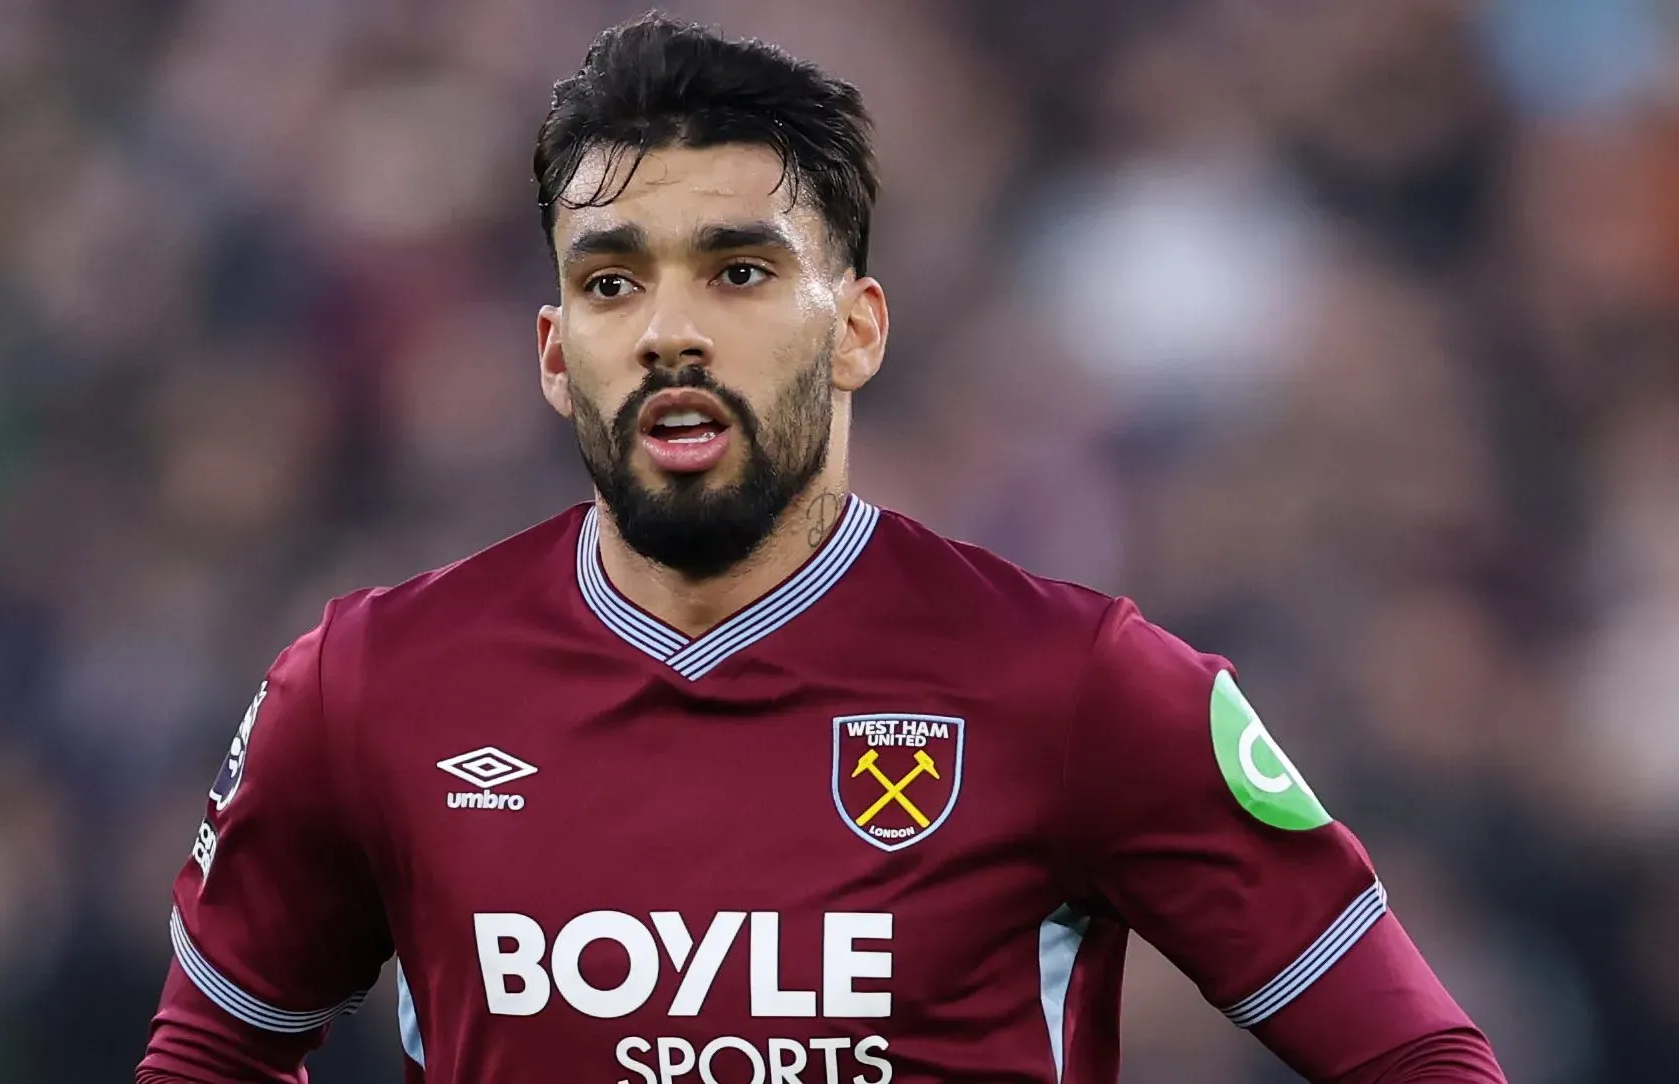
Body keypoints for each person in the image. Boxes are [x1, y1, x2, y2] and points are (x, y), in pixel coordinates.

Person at [137, 13, 1507, 1084]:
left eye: (738, 271)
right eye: (613, 279)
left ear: (855, 326)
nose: (672, 329)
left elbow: (1417, 1057)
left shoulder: (1079, 683)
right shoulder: (374, 685)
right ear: (558, 355)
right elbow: (214, 1052)